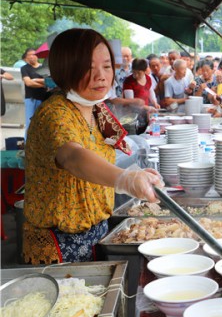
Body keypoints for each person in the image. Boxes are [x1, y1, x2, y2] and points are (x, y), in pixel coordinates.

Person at [23, 28, 164, 264]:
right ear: (65, 68)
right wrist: (125, 179)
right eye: (89, 67)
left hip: (96, 234)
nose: (101, 76)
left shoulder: (96, 109)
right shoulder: (55, 113)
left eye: (107, 66)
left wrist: (135, 175)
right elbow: (73, 156)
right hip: (57, 247)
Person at [123, 58, 159, 134]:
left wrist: (154, 102)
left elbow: (150, 90)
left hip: (144, 114)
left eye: (139, 73)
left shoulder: (148, 78)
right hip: (131, 116)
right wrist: (148, 108)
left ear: (145, 71)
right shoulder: (128, 81)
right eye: (134, 72)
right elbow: (131, 102)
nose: (136, 75)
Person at [21, 48, 47, 139]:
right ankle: (27, 145)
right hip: (30, 99)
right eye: (30, 55)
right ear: (26, 57)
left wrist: (36, 80)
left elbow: (48, 81)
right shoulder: (24, 68)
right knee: (30, 123)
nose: (32, 56)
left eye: (34, 54)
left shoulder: (43, 68)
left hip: (43, 98)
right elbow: (28, 83)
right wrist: (43, 85)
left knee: (42, 123)